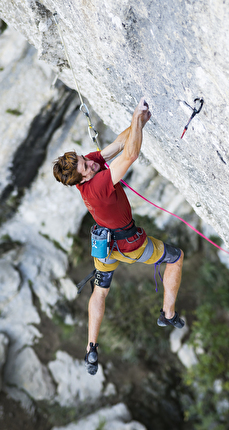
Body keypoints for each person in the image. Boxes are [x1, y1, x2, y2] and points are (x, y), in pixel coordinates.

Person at [53, 98, 184, 375]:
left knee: (100, 290)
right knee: (175, 257)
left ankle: (91, 348)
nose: (90, 162)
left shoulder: (86, 172)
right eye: (85, 167)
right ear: (81, 180)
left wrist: (140, 123)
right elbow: (131, 154)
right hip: (130, 245)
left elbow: (119, 143)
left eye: (84, 159)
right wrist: (137, 118)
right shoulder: (98, 184)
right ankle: (167, 314)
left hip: (104, 246)